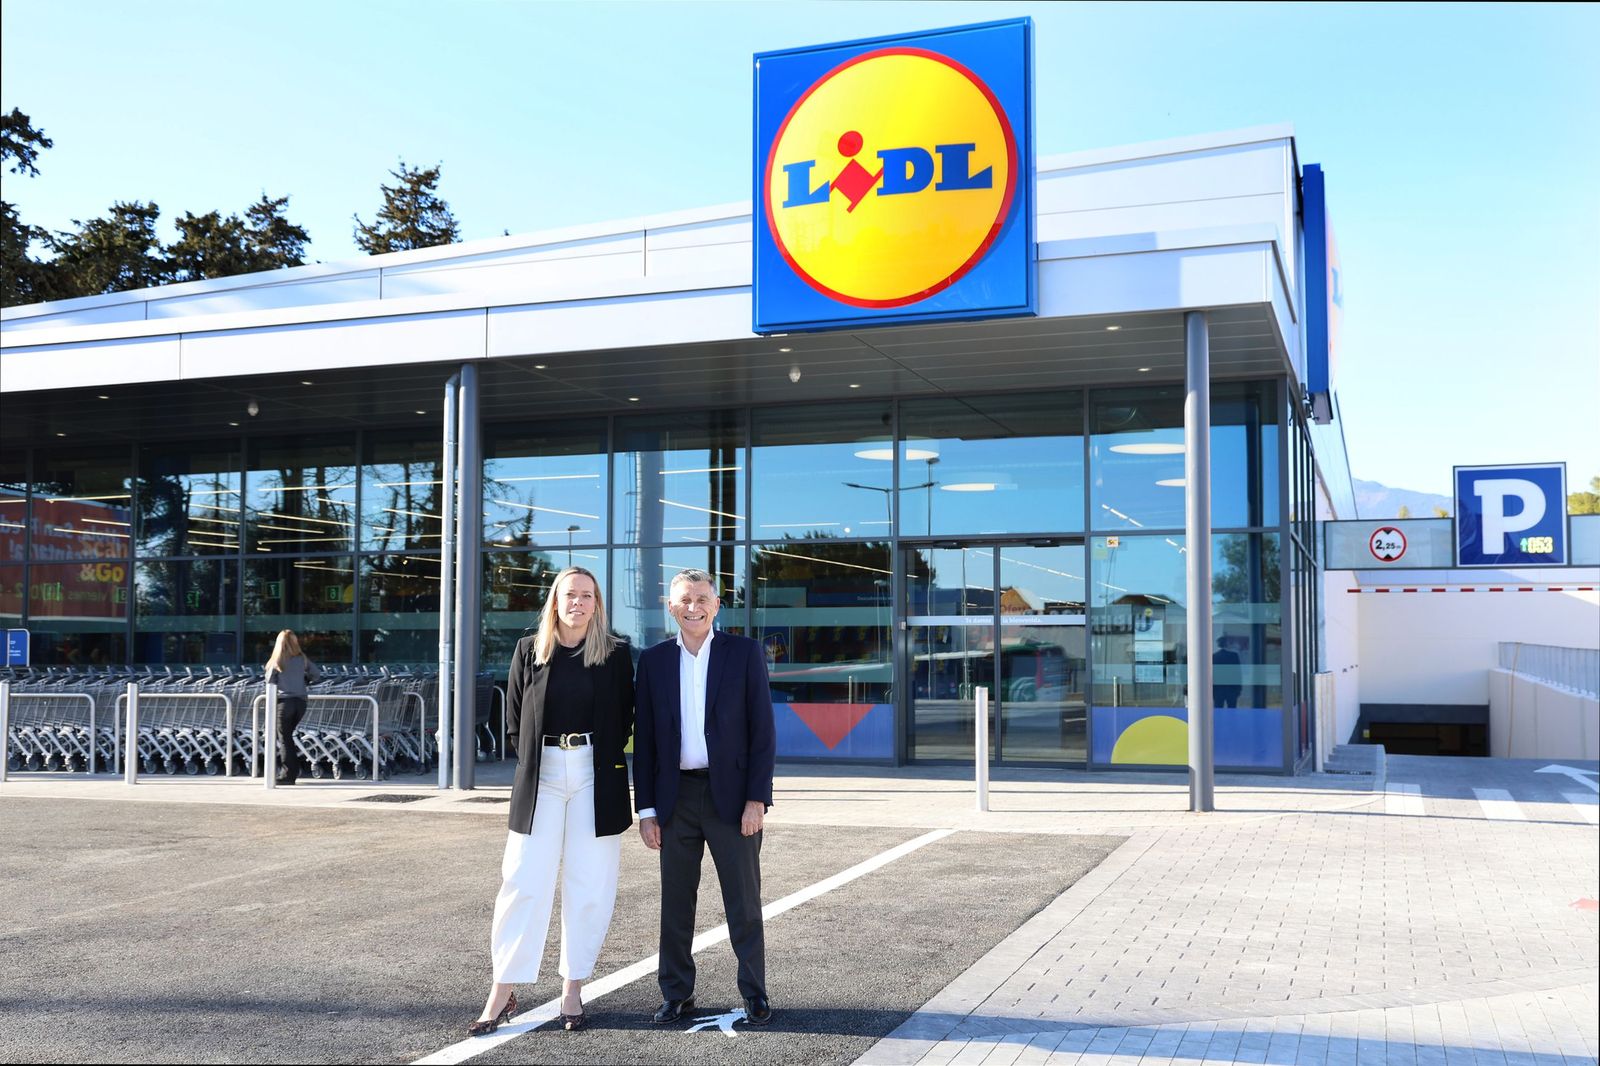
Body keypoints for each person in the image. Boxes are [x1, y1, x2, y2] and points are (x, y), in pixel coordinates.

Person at [470, 566, 635, 1037]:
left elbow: (624, 718)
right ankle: (502, 989)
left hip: (593, 775)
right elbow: (515, 717)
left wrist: (590, 756)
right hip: (540, 774)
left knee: (590, 884)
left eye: (587, 595)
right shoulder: (530, 650)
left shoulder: (617, 654)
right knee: (522, 880)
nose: (577, 603)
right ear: (555, 600)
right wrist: (535, 762)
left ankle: (572, 988)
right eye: (569, 595)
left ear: (597, 604)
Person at [634, 568, 777, 1026]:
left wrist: (757, 799)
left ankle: (754, 993)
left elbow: (763, 733)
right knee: (676, 903)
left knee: (743, 901)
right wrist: (647, 810)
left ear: (716, 605)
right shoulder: (653, 661)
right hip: (675, 798)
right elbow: (647, 742)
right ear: (670, 607)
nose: (692, 607)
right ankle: (676, 993)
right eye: (684, 600)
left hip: (732, 799)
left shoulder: (744, 654)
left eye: (702, 598)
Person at [263, 629, 319, 784]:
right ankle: (292, 770)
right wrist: (303, 681)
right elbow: (316, 674)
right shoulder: (302, 659)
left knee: (284, 739)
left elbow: (269, 681)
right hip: (301, 703)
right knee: (288, 738)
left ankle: (288, 775)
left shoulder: (277, 661)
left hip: (284, 703)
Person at [1212, 636, 1242, 709]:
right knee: (1232, 709)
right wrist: (1239, 688)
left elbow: (1212, 674)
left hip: (1218, 688)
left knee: (1218, 709)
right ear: (1227, 644)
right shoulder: (1234, 655)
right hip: (1231, 688)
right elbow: (1237, 673)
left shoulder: (1214, 656)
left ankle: (1219, 720)